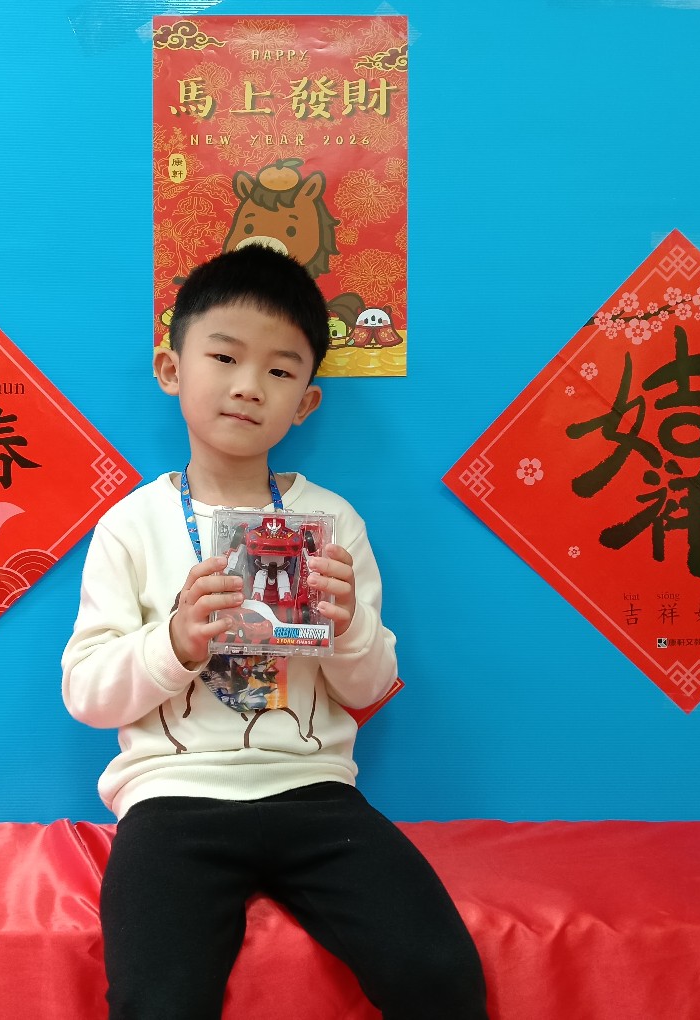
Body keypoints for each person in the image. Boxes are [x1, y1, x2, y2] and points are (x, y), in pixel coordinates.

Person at [61, 245, 488, 1019]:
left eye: (281, 370)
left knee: (439, 970)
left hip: (314, 793)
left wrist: (348, 627)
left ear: (307, 403)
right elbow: (86, 694)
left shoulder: (331, 522)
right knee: (157, 1003)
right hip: (172, 802)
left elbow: (371, 686)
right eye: (224, 357)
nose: (249, 385)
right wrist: (176, 642)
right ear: (171, 369)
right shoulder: (131, 525)